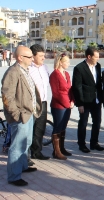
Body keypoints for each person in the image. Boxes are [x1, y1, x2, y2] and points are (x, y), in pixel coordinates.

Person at [1, 45, 42, 186]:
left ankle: (22, 166)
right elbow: (7, 96)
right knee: (17, 146)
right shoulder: (12, 72)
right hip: (20, 115)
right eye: (30, 57)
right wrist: (16, 114)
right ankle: (13, 176)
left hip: (29, 113)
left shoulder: (24, 70)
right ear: (20, 57)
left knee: (26, 143)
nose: (32, 59)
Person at [72, 47, 104, 153]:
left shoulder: (98, 66)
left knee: (97, 122)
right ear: (89, 56)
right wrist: (80, 103)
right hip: (84, 101)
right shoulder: (79, 68)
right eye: (96, 57)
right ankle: (82, 144)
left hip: (96, 100)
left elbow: (98, 84)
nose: (98, 59)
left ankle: (94, 143)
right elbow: (77, 87)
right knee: (83, 123)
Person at [49, 53, 74, 160]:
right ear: (60, 62)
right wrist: (67, 104)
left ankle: (62, 148)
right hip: (58, 106)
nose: (68, 64)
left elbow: (70, 89)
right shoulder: (54, 75)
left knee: (63, 127)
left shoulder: (67, 74)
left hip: (68, 104)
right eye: (66, 62)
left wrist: (72, 100)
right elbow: (56, 93)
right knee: (58, 126)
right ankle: (56, 151)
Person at [29, 44, 50, 160]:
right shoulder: (28, 68)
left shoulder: (44, 67)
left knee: (40, 128)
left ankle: (36, 152)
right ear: (33, 56)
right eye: (41, 56)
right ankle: (25, 156)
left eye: (44, 55)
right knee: (29, 129)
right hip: (31, 103)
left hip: (43, 102)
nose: (43, 58)